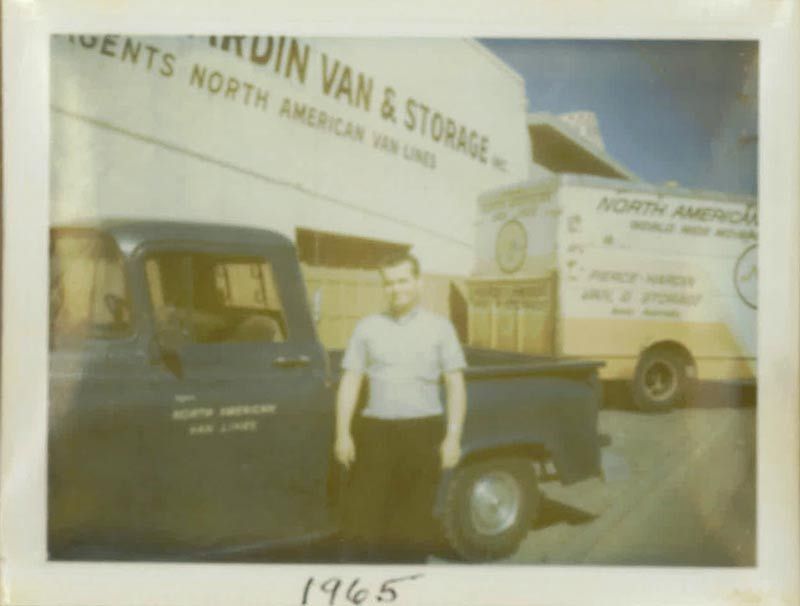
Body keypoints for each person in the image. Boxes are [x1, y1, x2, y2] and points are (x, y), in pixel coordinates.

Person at [334, 251, 467, 563]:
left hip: (423, 432)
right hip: (376, 433)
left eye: (403, 280)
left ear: (418, 283)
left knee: (415, 522)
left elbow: (456, 385)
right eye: (389, 283)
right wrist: (342, 434)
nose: (396, 289)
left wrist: (453, 438)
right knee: (366, 522)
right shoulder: (367, 328)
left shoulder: (440, 328)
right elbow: (350, 381)